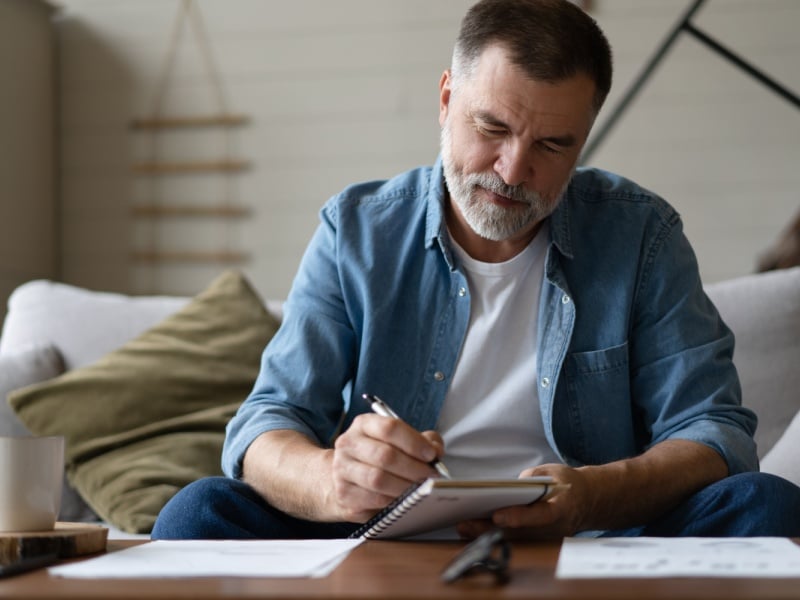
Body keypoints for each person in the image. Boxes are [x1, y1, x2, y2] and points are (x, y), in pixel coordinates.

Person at [152, 0, 800, 540]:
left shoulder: (642, 236)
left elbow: (713, 430)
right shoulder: (355, 230)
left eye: (551, 145)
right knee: (196, 515)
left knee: (769, 506)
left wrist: (596, 495)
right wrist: (332, 481)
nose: (513, 170)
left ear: (585, 135)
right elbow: (267, 424)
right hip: (377, 532)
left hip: (591, 536)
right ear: (445, 99)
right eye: (491, 127)